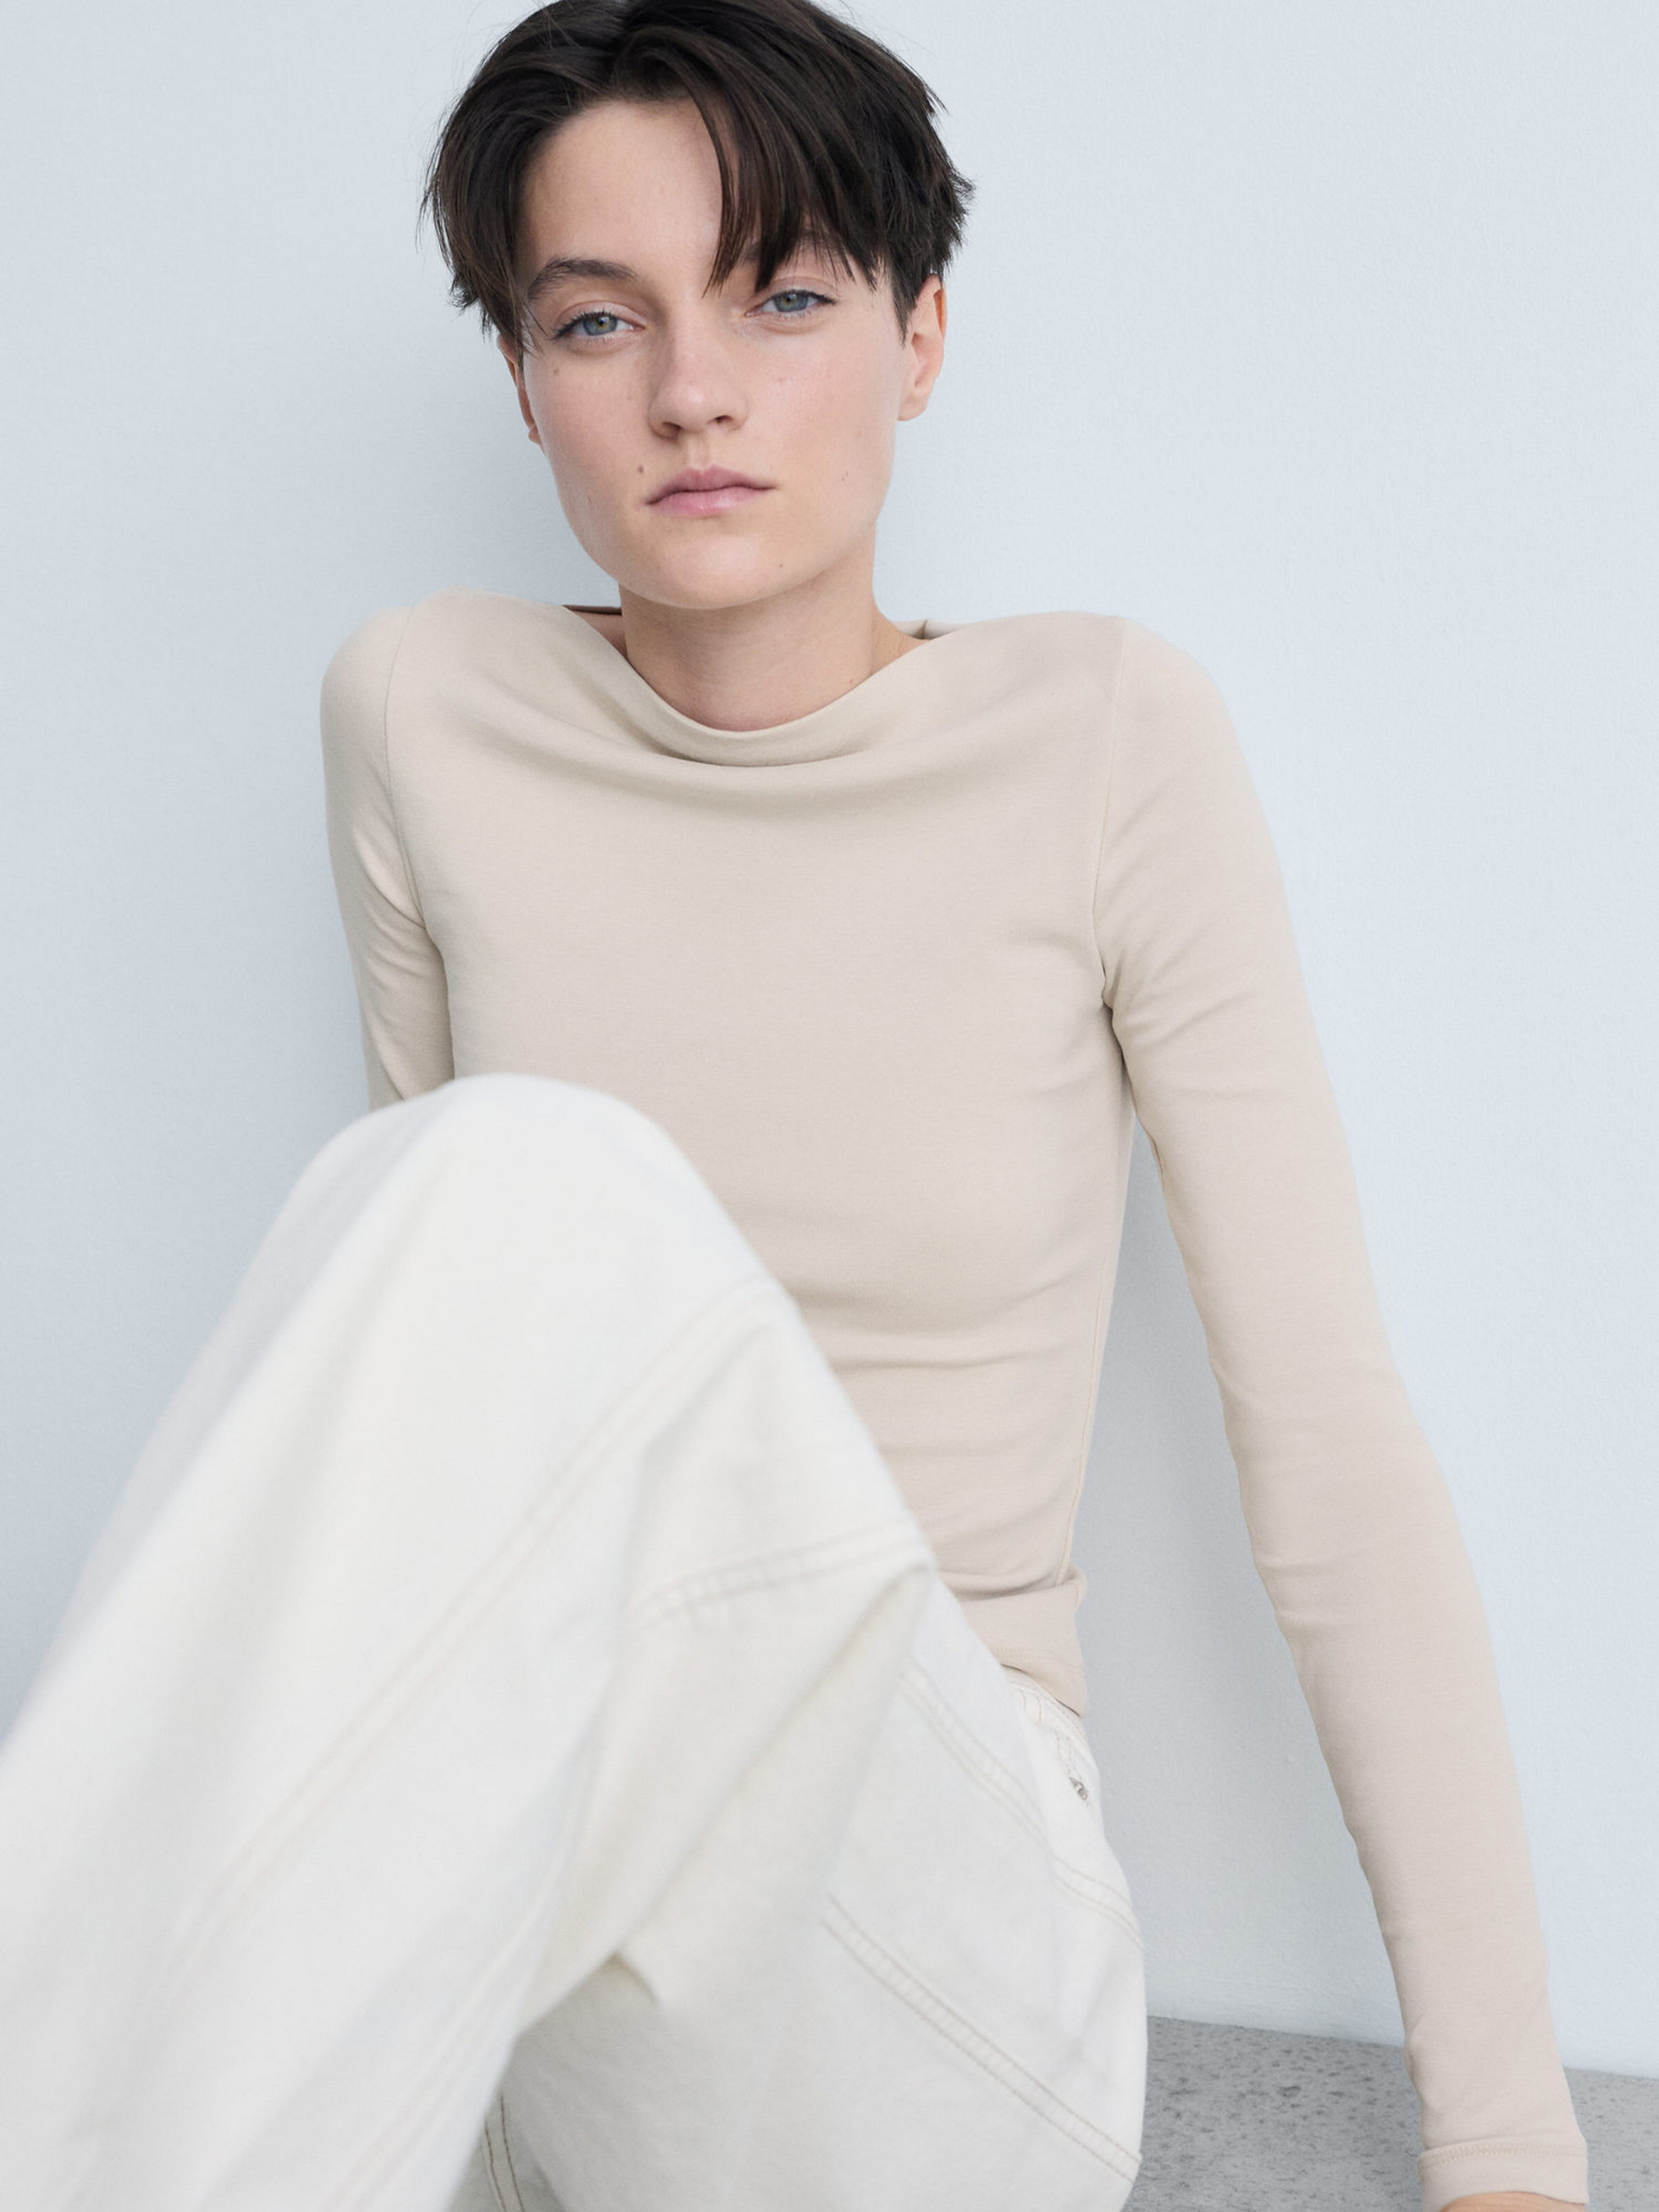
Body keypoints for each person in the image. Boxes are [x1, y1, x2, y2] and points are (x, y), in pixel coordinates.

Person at [0, 5, 1589, 2210]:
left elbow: (1326, 1455)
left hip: (946, 1945)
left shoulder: (1102, 739)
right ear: (522, 376)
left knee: (517, 1174)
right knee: (444, 1223)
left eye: (783, 297)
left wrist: (1508, 2152)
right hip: (585, 1968)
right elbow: (426, 1444)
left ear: (919, 337)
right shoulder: (422, 710)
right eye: (597, 318)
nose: (692, 391)